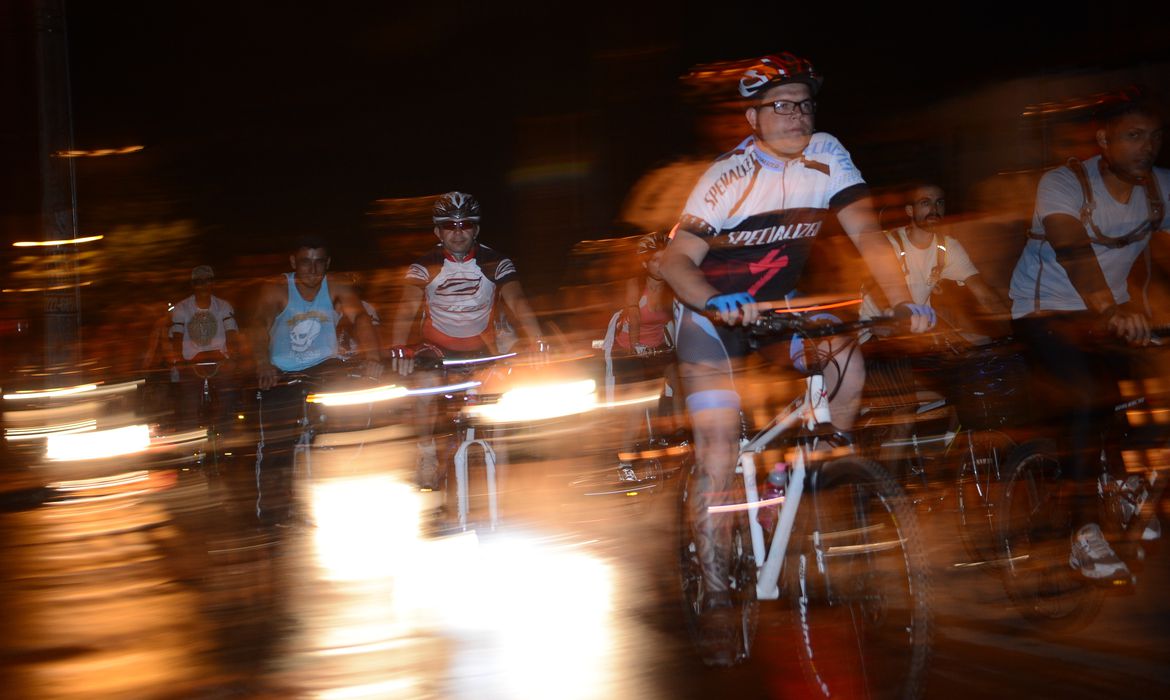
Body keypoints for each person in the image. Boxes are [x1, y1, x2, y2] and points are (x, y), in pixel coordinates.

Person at [659, 51, 935, 664]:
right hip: (714, 320)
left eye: (804, 103)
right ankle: (714, 593)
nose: (798, 114)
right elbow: (673, 263)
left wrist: (904, 300)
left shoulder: (829, 154)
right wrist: (712, 300)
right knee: (720, 448)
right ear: (753, 117)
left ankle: (827, 463)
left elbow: (867, 235)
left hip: (780, 311)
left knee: (847, 352)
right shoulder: (728, 175)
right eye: (781, 105)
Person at [1007, 92, 1168, 581]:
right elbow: (1072, 248)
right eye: (1133, 136)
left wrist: (1123, 312)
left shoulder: (1161, 188)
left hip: (1113, 314)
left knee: (1142, 393)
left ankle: (1122, 479)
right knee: (1084, 400)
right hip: (1044, 310)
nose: (1148, 147)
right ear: (1104, 141)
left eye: (1154, 136)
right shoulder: (1063, 182)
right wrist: (1110, 308)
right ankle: (1082, 532)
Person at [388, 191, 545, 489]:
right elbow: (406, 307)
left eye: (466, 225)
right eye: (450, 225)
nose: (458, 232)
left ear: (476, 229)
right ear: (437, 231)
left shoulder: (494, 261)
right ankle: (426, 452)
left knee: (507, 390)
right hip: (437, 346)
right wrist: (399, 349)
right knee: (424, 386)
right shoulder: (426, 265)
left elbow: (518, 302)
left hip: (482, 346)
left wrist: (538, 342)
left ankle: (506, 453)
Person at [249, 235, 383, 527]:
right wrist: (263, 363)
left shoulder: (337, 286)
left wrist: (373, 356)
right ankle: (271, 515)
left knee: (351, 416)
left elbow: (359, 317)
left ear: (328, 263)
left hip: (325, 367)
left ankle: (339, 491)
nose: (312, 270)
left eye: (319, 262)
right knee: (275, 445)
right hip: (282, 373)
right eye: (305, 262)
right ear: (293, 262)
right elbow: (259, 324)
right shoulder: (276, 289)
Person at [169, 265, 242, 432]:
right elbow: (177, 337)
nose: (203, 285)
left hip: (220, 360)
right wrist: (179, 360)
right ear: (193, 285)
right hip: (191, 363)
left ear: (212, 283)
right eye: (198, 282)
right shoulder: (181, 308)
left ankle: (227, 435)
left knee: (228, 398)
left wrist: (233, 356)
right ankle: (190, 445)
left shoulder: (224, 306)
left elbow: (231, 333)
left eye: (207, 281)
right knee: (189, 405)